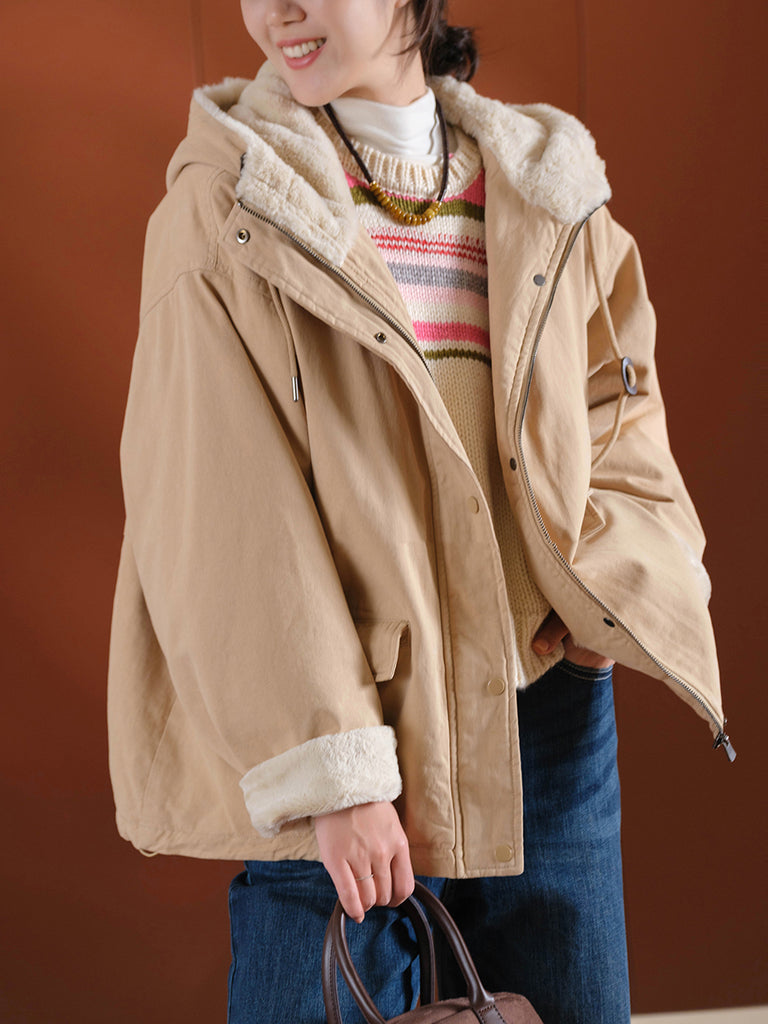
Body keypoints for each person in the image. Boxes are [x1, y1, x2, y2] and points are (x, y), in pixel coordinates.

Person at [107, 1, 732, 1021]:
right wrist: (335, 773)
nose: (277, 10)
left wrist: (600, 612)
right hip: (354, 747)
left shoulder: (545, 187)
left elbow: (620, 410)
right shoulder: (232, 203)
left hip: (547, 719)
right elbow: (221, 515)